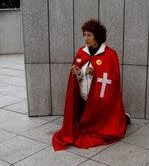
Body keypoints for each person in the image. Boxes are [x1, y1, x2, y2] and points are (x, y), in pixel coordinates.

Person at [52, 19, 130, 151]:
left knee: (105, 127)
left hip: (100, 102)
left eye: (89, 35)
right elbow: (79, 79)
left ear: (97, 36)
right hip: (84, 100)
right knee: (79, 128)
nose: (86, 38)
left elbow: (112, 79)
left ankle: (124, 118)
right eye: (84, 34)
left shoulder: (110, 54)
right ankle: (121, 117)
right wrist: (78, 74)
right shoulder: (81, 52)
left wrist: (96, 73)